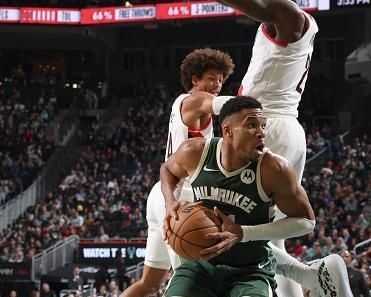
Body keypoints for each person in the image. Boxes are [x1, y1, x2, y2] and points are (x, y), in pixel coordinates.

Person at [215, 0, 352, 296]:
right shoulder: (294, 22)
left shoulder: (290, 14)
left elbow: (264, 9)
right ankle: (309, 281)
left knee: (232, 223)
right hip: (281, 126)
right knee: (273, 237)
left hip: (265, 127)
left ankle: (314, 275)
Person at [161, 96, 316, 297]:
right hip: (199, 266)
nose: (261, 132)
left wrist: (244, 233)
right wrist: (170, 202)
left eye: (262, 125)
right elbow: (168, 170)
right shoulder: (196, 152)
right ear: (228, 131)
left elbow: (306, 221)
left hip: (250, 270)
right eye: (252, 125)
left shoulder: (274, 169)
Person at [120, 48, 235, 297]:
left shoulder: (181, 102)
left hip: (162, 194)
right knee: (188, 280)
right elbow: (232, 105)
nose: (217, 84)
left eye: (221, 79)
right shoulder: (196, 101)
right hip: (180, 199)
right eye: (212, 78)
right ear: (195, 79)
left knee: (148, 285)